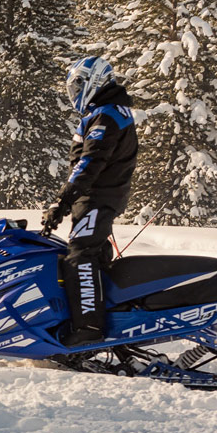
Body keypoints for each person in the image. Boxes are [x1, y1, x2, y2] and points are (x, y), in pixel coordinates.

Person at [40, 56, 137, 346]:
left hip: (97, 196)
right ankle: (109, 312)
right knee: (91, 254)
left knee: (81, 255)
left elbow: (90, 162)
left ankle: (89, 329)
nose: (74, 94)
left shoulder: (106, 115)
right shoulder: (106, 112)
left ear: (95, 80)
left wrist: (62, 200)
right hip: (97, 196)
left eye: (78, 85)